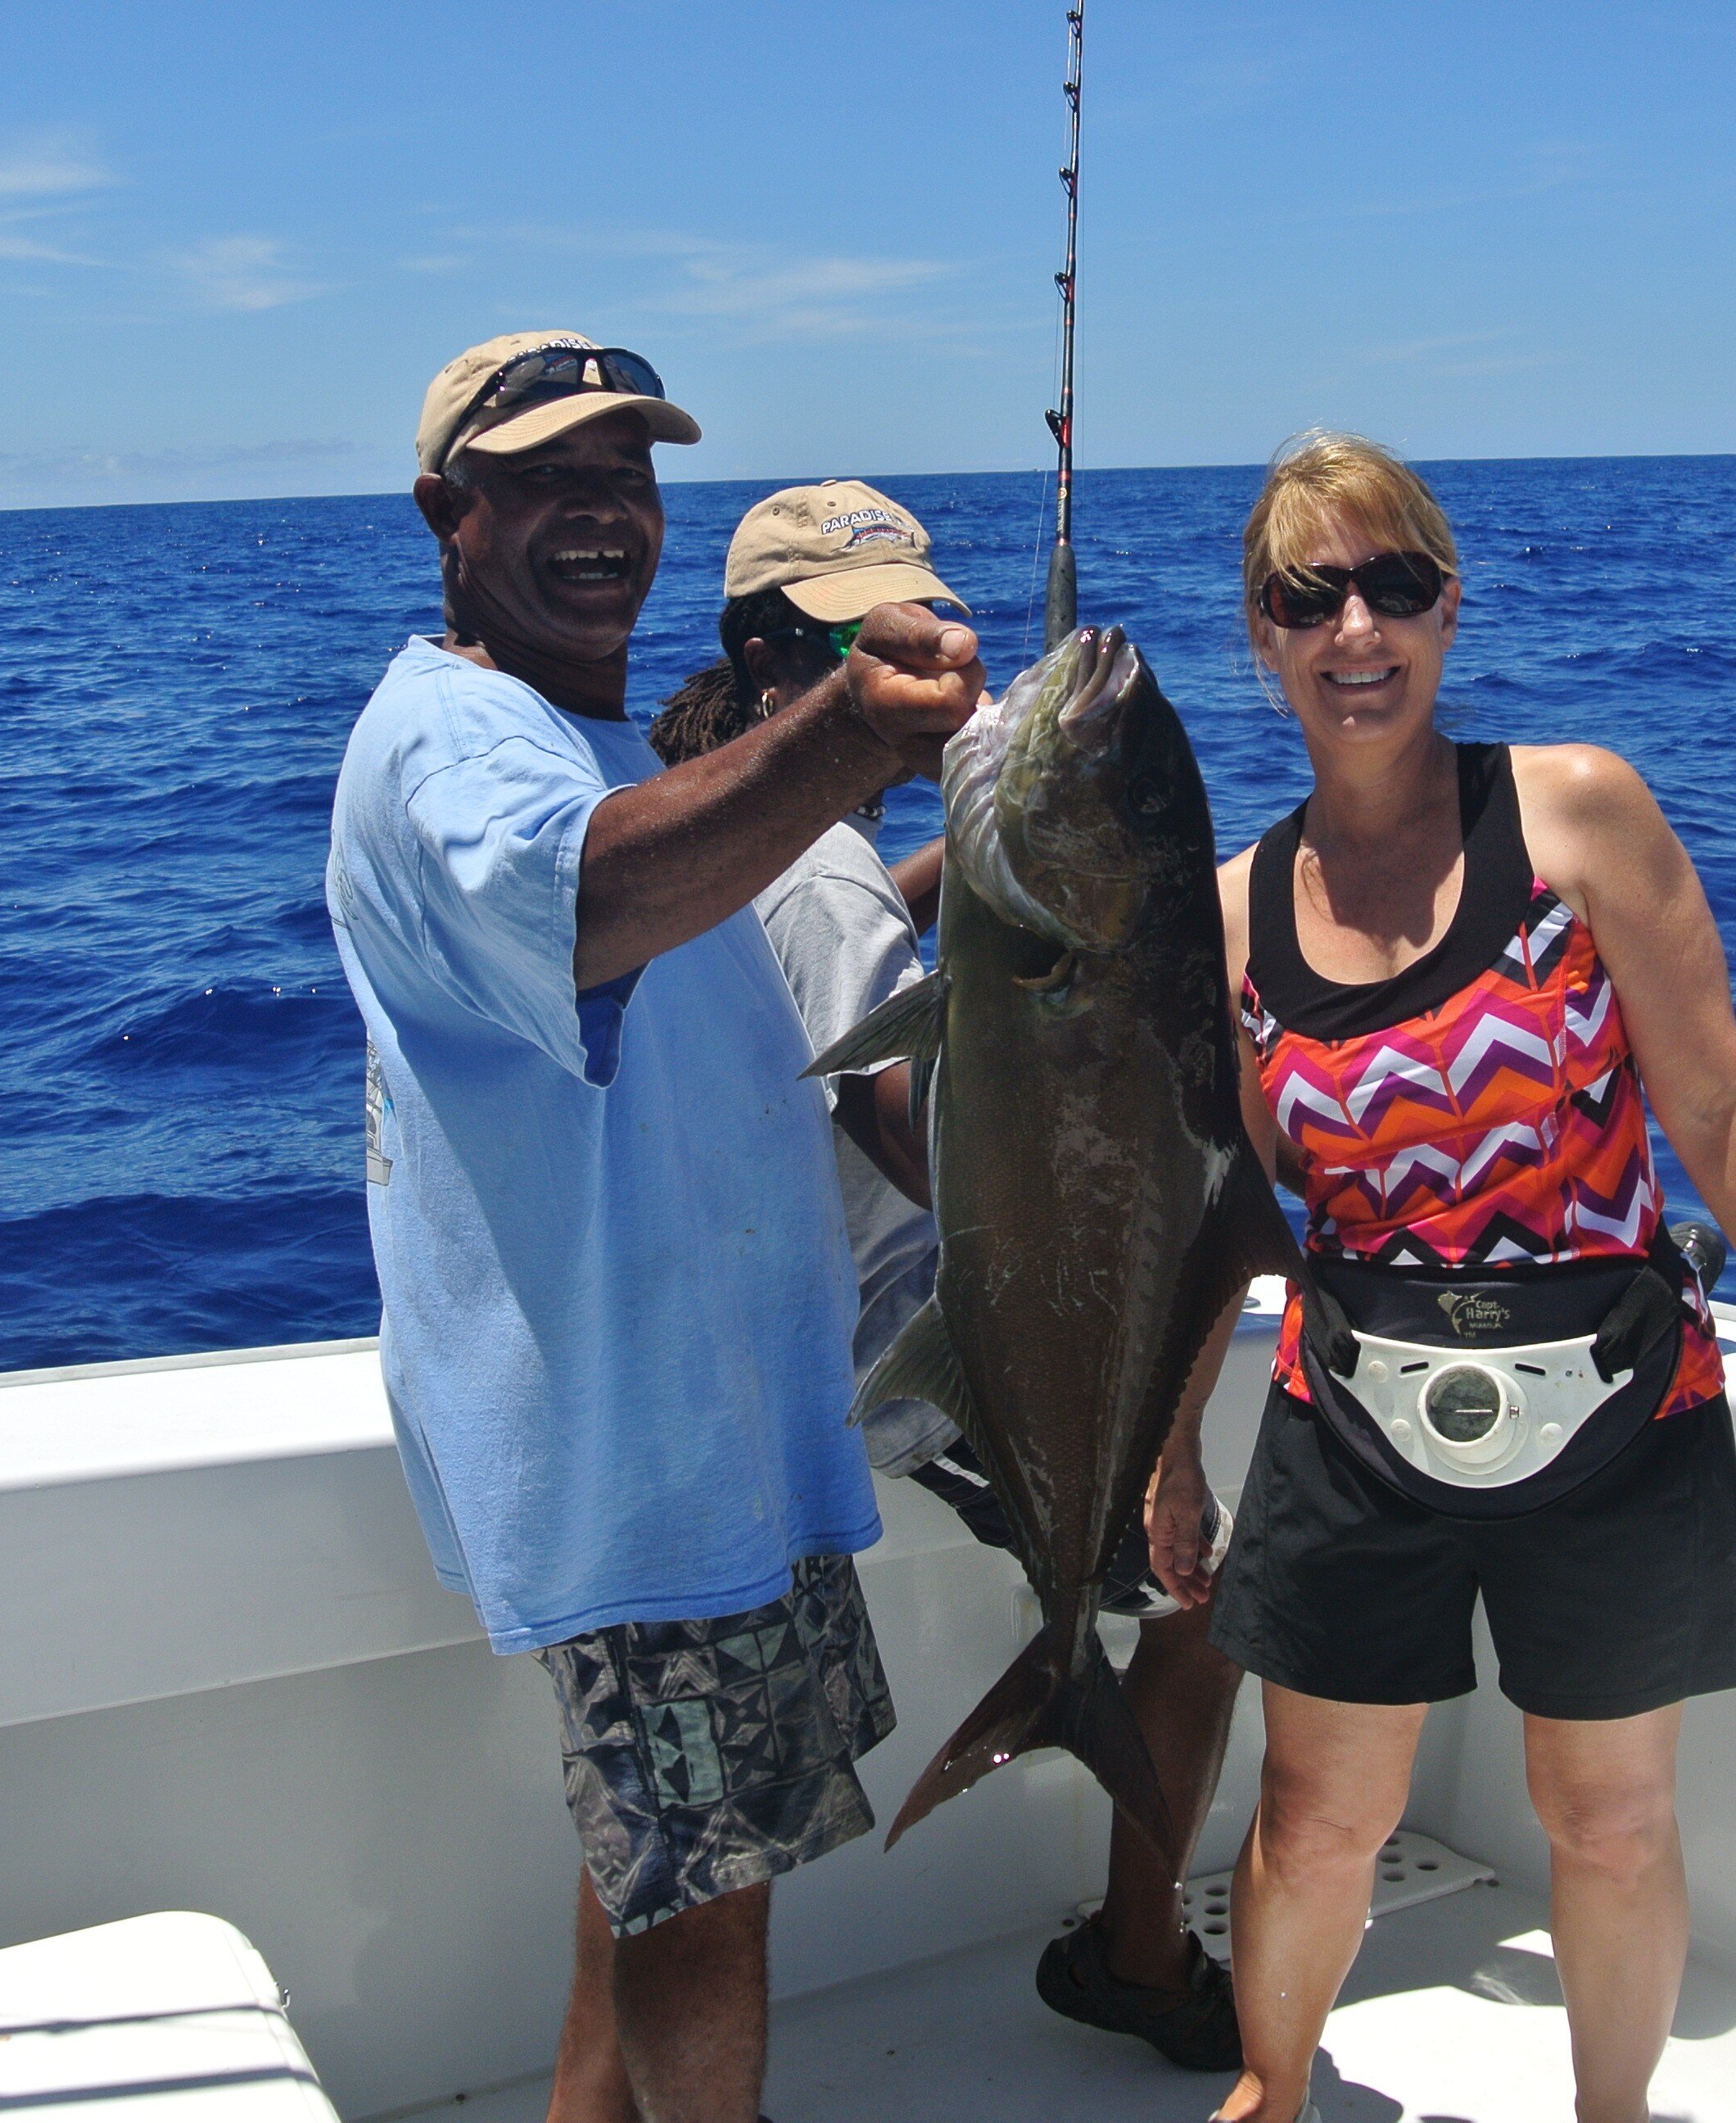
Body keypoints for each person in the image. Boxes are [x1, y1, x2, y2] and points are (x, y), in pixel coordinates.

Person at [1142, 431, 1736, 2123]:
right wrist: (1175, 1445)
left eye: (1392, 586)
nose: (1354, 632)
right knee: (1318, 1813)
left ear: (1449, 609)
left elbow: (1716, 1095)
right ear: (1258, 634)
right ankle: (1272, 2088)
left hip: (1620, 1411)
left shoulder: (1576, 812)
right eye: (1305, 596)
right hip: (1350, 1422)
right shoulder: (1230, 909)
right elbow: (1231, 1217)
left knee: (1605, 1817)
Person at [323, 334, 983, 2123]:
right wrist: (848, 722)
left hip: (719, 1433)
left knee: (663, 1876)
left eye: (625, 478)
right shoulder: (453, 739)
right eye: (546, 480)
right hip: (639, 1461)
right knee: (704, 1911)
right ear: (445, 511)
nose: (599, 516)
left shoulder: (580, 731)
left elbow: (702, 906)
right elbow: (601, 894)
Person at [643, 481, 1249, 2071]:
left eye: (931, 620)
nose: (934, 655)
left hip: (749, 1335)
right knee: (1215, 1602)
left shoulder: (713, 812)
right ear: (784, 652)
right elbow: (934, 1146)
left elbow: (846, 946)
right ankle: (1133, 1952)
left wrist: (990, 906)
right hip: (906, 1355)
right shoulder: (832, 879)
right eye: (875, 634)